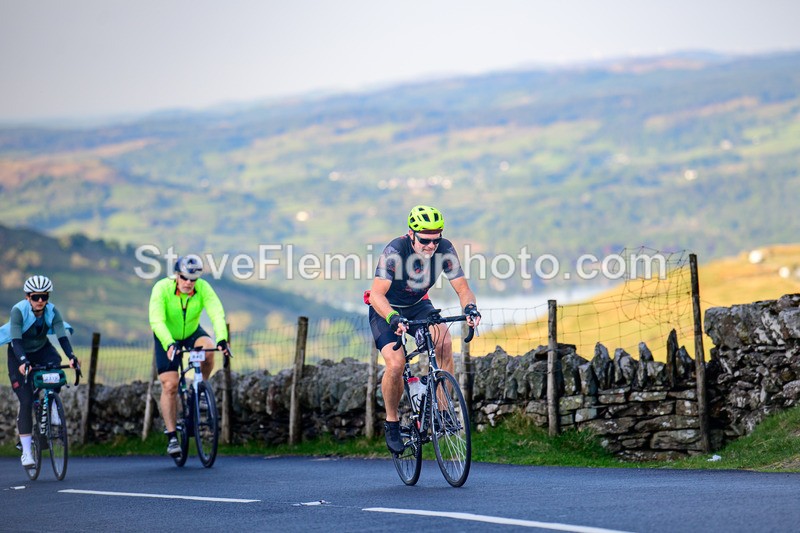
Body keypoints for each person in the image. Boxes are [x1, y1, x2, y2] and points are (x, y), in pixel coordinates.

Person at [368, 205, 481, 453]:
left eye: (435, 239)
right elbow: (376, 295)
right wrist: (393, 318)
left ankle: (442, 411)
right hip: (387, 310)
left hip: (419, 305)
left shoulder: (445, 249)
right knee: (396, 364)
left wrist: (471, 308)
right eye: (425, 240)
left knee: (444, 342)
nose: (431, 246)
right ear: (411, 234)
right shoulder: (395, 251)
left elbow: (463, 288)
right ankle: (392, 422)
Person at [149, 255, 230, 456]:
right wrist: (168, 343)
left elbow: (217, 313)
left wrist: (222, 339)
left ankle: (199, 388)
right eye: (184, 278)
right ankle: (171, 436)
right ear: (177, 275)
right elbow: (157, 320)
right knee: (170, 385)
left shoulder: (202, 288)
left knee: (209, 350)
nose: (188, 283)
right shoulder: (162, 288)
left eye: (193, 279)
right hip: (166, 335)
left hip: (192, 332)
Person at [1, 275, 79, 467]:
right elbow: (16, 340)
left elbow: (61, 336)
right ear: (28, 297)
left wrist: (71, 357)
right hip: (19, 353)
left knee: (56, 367)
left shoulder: (52, 312)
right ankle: (27, 453)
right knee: (26, 401)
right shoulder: (19, 311)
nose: (41, 301)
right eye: (36, 297)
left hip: (42, 350)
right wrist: (22, 361)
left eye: (44, 296)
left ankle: (52, 405)